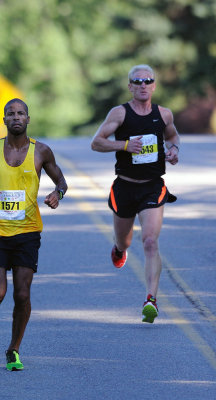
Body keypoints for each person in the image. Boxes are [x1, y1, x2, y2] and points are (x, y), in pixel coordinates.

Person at [0, 98, 67, 370]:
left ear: (28, 119)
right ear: (4, 120)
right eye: (10, 113)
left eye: (21, 113)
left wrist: (57, 194)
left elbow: (61, 181)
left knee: (22, 294)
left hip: (28, 231)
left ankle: (14, 349)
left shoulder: (42, 151)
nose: (16, 117)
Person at [91, 64, 180, 324]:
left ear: (154, 85)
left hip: (153, 185)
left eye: (148, 81)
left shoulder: (164, 114)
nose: (143, 85)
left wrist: (174, 150)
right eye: (137, 81)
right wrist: (125, 145)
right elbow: (96, 142)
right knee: (125, 242)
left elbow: (173, 137)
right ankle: (119, 249)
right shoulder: (119, 113)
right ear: (130, 86)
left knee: (150, 242)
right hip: (125, 187)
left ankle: (150, 299)